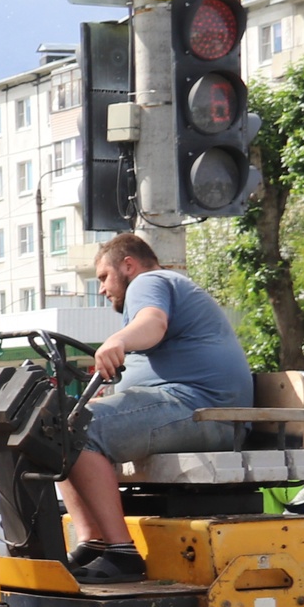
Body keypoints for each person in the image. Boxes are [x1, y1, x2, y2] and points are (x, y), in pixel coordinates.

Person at [58, 231, 254, 583]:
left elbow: (153, 324)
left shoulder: (148, 282)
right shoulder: (158, 285)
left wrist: (117, 339)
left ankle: (121, 554)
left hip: (203, 410)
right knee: (56, 429)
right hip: (193, 407)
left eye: (104, 277)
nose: (102, 289)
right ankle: (94, 542)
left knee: (74, 429)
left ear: (128, 265)